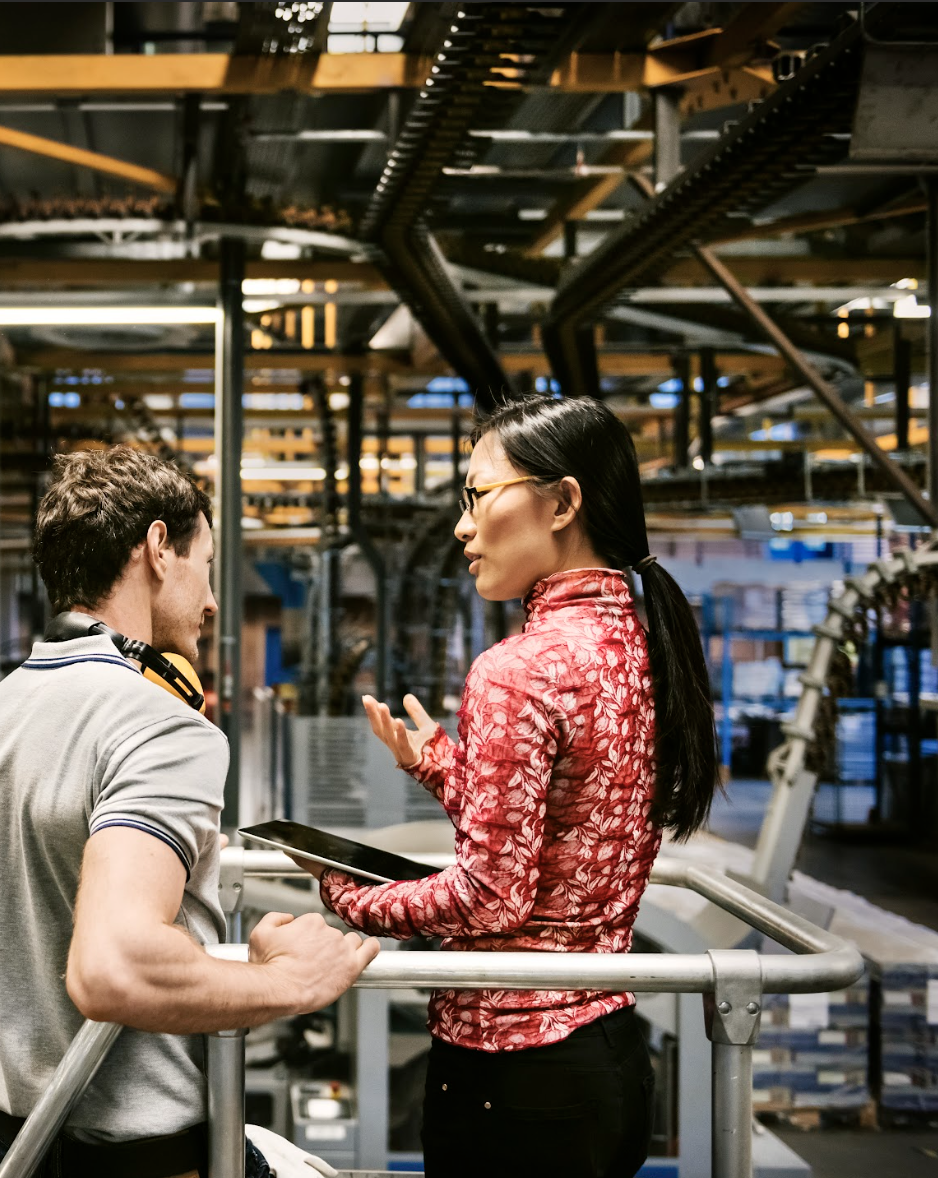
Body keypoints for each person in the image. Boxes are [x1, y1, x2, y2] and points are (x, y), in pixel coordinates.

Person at [293, 394, 719, 1178]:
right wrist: (439, 764)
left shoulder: (518, 670)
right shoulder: (640, 647)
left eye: (477, 496)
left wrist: (349, 897)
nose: (462, 527)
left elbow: (491, 897)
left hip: (514, 1079)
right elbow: (562, 835)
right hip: (607, 1060)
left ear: (561, 503)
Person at [0, 445, 380, 1178]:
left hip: (15, 1148)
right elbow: (112, 966)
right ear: (156, 549)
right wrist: (288, 982)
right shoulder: (162, 728)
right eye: (204, 566)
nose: (211, 602)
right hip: (146, 1160)